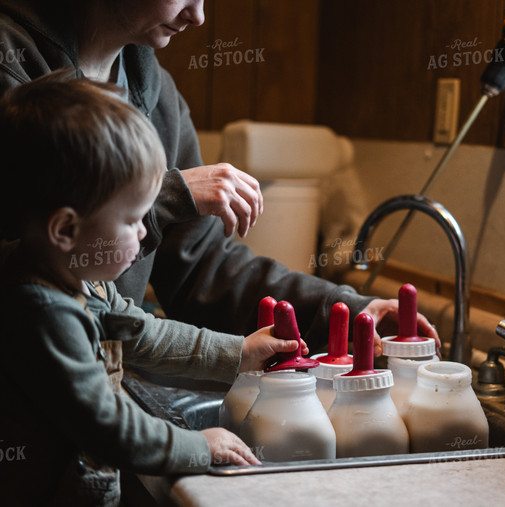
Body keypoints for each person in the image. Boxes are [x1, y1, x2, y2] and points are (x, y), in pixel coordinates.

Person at [0, 0, 439, 356]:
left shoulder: (161, 100)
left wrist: (344, 310)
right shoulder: (10, 63)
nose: (199, 15)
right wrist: (170, 195)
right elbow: (24, 252)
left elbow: (202, 269)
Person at [0, 71, 315, 505]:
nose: (146, 234)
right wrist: (199, 447)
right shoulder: (42, 313)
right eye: (132, 220)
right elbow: (108, 426)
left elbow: (144, 334)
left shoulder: (81, 280)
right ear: (66, 229)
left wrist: (238, 352)